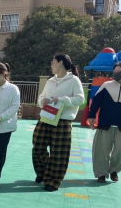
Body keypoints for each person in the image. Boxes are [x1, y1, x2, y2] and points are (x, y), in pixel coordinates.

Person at [33, 54, 85, 192]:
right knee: (37, 146)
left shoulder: (74, 80)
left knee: (59, 153)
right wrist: (42, 101)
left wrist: (61, 99)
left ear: (60, 63)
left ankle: (53, 181)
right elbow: (42, 96)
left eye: (53, 62)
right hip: (46, 117)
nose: (51, 65)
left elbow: (80, 99)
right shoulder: (51, 80)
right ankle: (43, 172)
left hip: (63, 120)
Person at [89, 62, 121, 183]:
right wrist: (91, 116)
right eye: (114, 71)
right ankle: (101, 173)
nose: (115, 73)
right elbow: (96, 101)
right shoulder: (106, 85)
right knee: (101, 150)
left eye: (118, 71)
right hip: (105, 124)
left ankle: (114, 170)